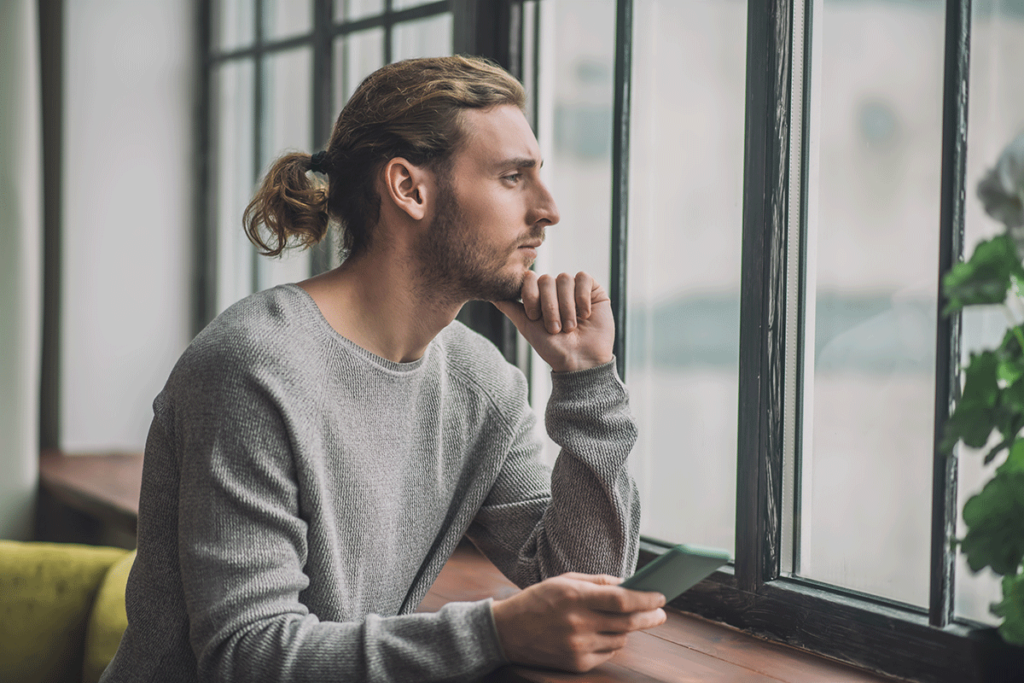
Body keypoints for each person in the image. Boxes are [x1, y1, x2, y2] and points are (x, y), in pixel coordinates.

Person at [101, 55, 666, 683]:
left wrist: (586, 379)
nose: (549, 209)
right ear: (409, 188)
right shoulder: (251, 368)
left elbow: (580, 581)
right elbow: (246, 656)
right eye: (513, 177)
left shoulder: (479, 383)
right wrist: (494, 632)